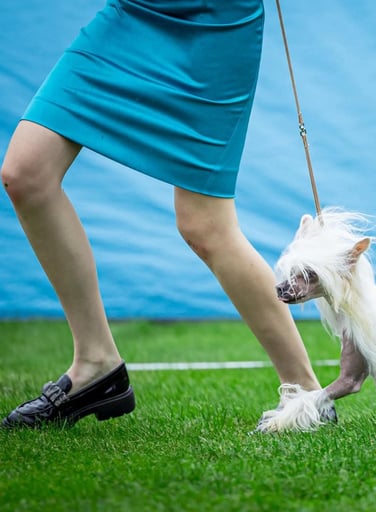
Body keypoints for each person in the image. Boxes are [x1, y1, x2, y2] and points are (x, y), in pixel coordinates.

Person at [1, 0, 328, 428]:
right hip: (133, 15)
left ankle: (307, 391)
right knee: (26, 174)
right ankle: (96, 363)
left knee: (205, 225)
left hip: (216, 25)